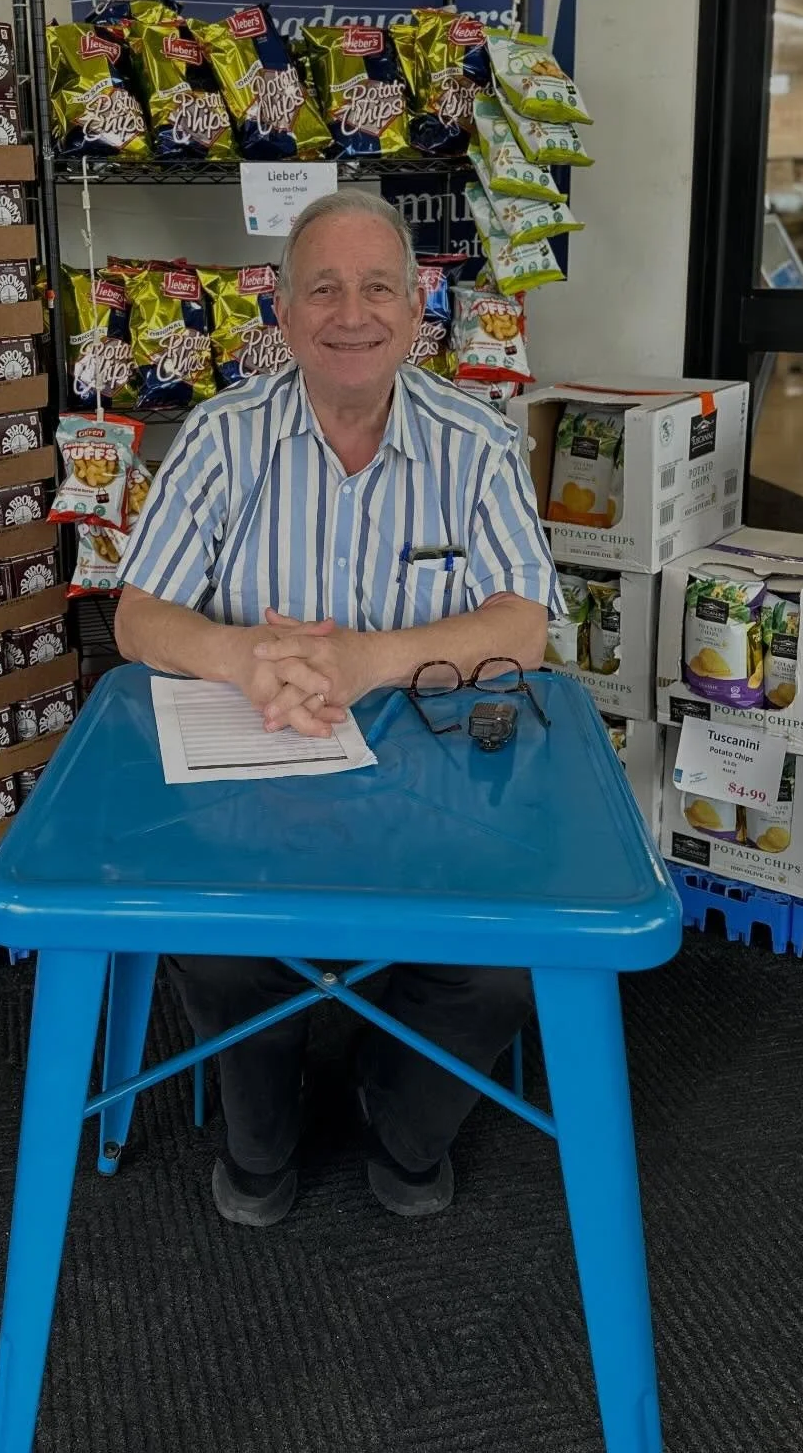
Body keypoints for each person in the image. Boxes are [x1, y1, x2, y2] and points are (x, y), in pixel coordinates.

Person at [114, 189, 560, 1226]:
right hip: (253, 766)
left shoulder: (477, 443)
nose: (349, 313)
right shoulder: (223, 438)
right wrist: (240, 654)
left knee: (493, 973)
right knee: (224, 947)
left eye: (376, 289)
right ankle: (262, 1138)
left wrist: (371, 660)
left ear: (416, 313)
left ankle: (401, 1123)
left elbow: (521, 628)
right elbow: (139, 619)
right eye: (322, 288)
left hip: (438, 791)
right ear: (281, 313)